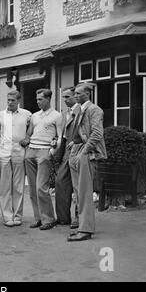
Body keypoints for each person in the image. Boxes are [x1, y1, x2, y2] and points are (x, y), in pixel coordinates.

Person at [67, 83, 107, 242]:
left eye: (78, 93)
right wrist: (74, 145)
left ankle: (85, 230)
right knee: (78, 193)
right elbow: (78, 132)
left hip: (87, 153)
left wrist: (83, 151)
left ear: (87, 94)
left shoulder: (94, 110)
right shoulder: (79, 110)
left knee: (84, 193)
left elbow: (97, 134)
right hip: (77, 150)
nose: (75, 96)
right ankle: (83, 226)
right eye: (75, 93)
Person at [24, 88, 62, 230]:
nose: (37, 102)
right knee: (33, 189)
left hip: (44, 152)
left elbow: (59, 137)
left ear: (48, 99)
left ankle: (49, 219)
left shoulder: (57, 116)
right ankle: (38, 218)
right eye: (37, 99)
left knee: (41, 188)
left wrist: (51, 152)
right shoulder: (34, 116)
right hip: (31, 152)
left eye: (40, 99)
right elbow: (29, 134)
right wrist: (25, 143)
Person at [0, 90, 32, 227]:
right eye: (8, 100)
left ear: (18, 101)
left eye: (13, 100)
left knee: (18, 186)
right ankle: (7, 216)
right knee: (5, 187)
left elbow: (32, 129)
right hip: (4, 153)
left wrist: (27, 138)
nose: (10, 102)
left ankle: (17, 215)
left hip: (19, 153)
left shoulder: (27, 115)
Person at [55, 87, 80, 228]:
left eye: (67, 97)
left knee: (78, 186)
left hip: (78, 151)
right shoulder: (65, 113)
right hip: (66, 152)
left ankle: (78, 217)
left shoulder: (81, 111)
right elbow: (63, 135)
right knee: (60, 182)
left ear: (75, 96)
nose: (65, 100)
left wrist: (77, 141)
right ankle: (63, 218)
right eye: (63, 97)